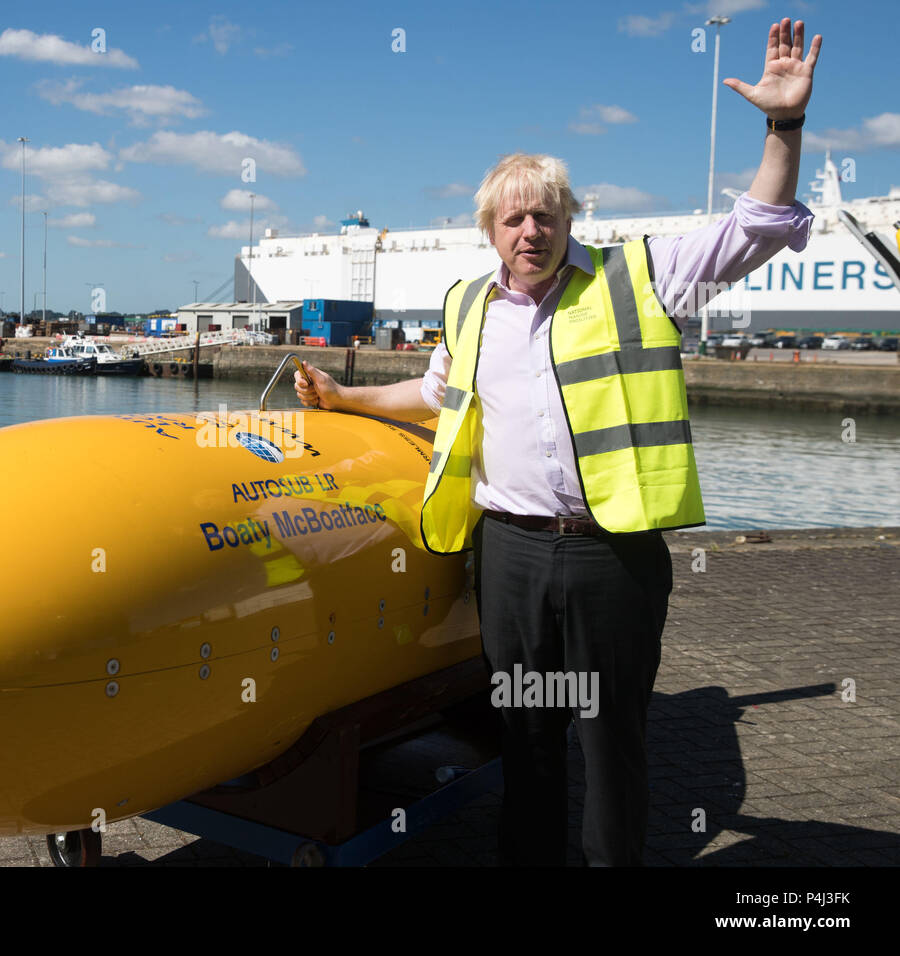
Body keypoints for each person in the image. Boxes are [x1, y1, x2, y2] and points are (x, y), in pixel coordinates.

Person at [295, 18, 822, 865]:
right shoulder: (469, 306)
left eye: (544, 214)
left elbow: (755, 226)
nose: (529, 230)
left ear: (569, 218)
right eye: (511, 219)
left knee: (611, 739)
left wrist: (783, 125)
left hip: (611, 558)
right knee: (527, 732)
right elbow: (437, 394)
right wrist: (345, 395)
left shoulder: (639, 276)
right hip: (510, 556)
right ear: (489, 230)